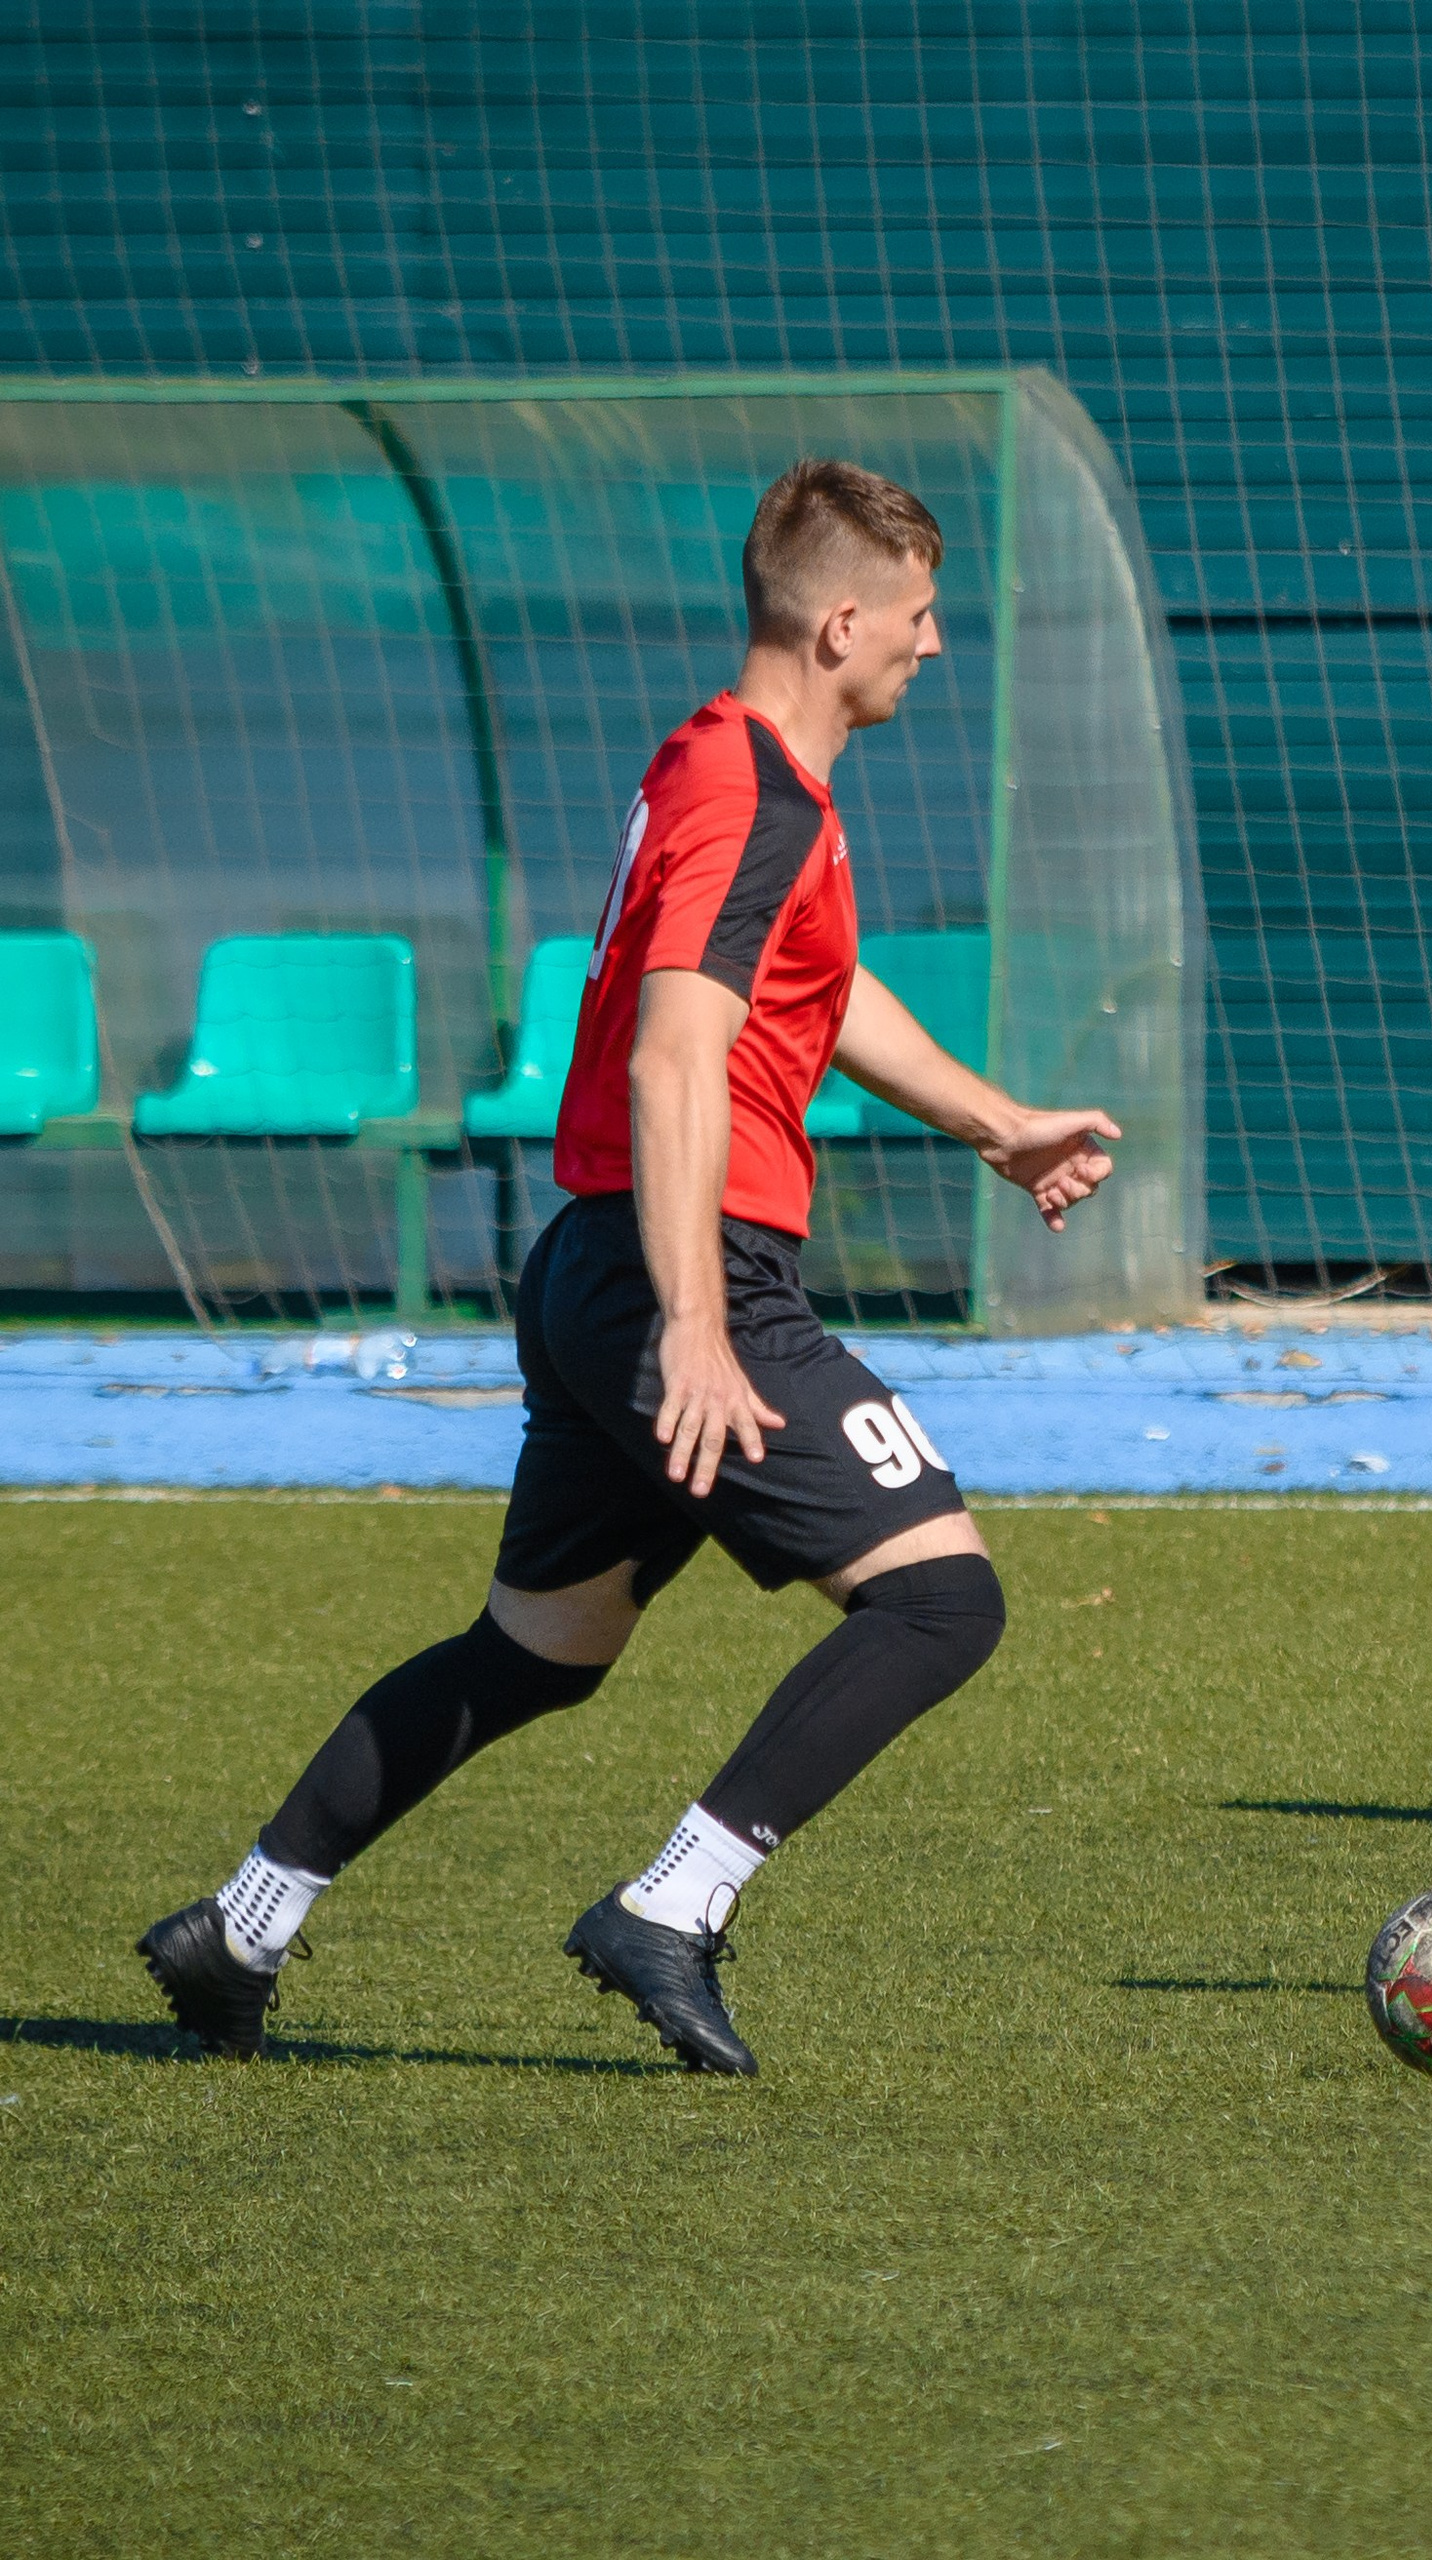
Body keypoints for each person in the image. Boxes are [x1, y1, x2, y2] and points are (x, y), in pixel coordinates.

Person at [138, 459, 1121, 2076]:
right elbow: (676, 1057)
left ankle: (241, 1923)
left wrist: (996, 1125)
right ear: (842, 624)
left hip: (600, 1264)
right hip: (682, 1269)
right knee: (942, 1600)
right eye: (923, 616)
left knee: (540, 1653)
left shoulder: (714, 759)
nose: (937, 645)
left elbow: (815, 986)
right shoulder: (756, 798)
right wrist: (697, 1328)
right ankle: (672, 1906)